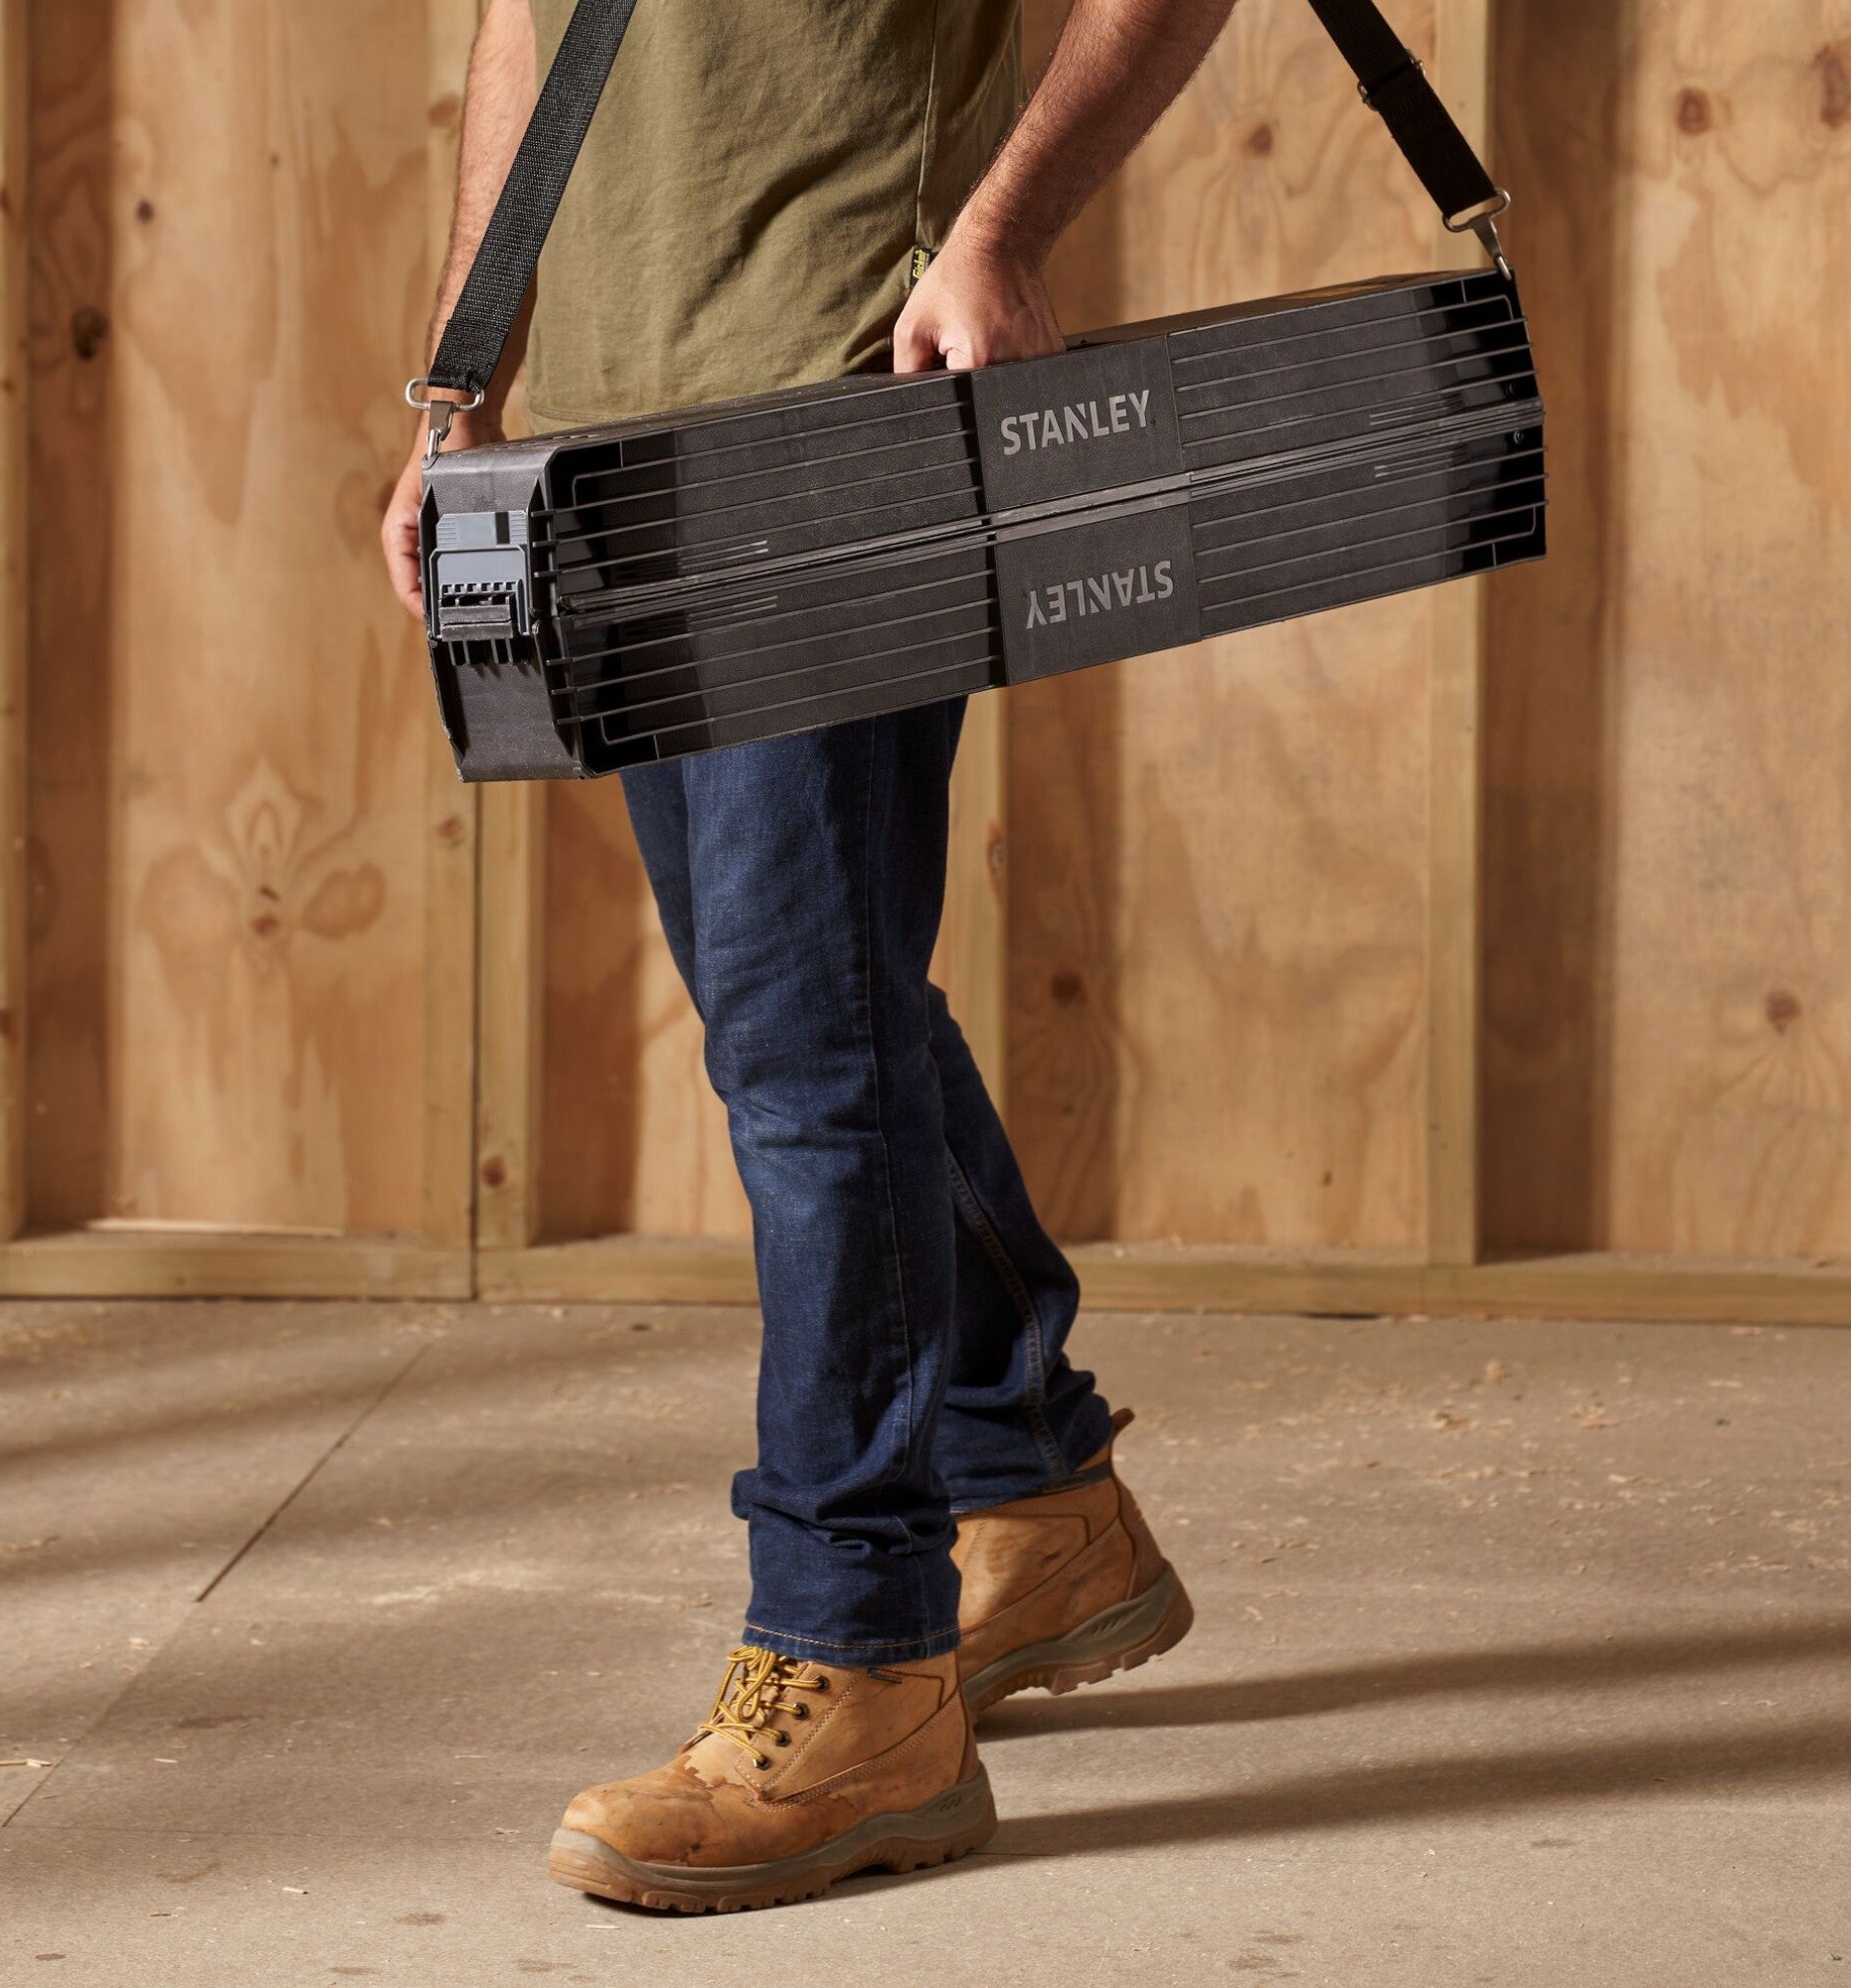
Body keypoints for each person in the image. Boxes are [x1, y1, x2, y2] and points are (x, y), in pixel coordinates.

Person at [383, 0, 1241, 1913]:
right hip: (616, 432)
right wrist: (462, 379)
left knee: (805, 1046)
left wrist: (1000, 232)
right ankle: (1034, 1495)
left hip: (844, 399)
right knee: (816, 1011)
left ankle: (856, 1661)